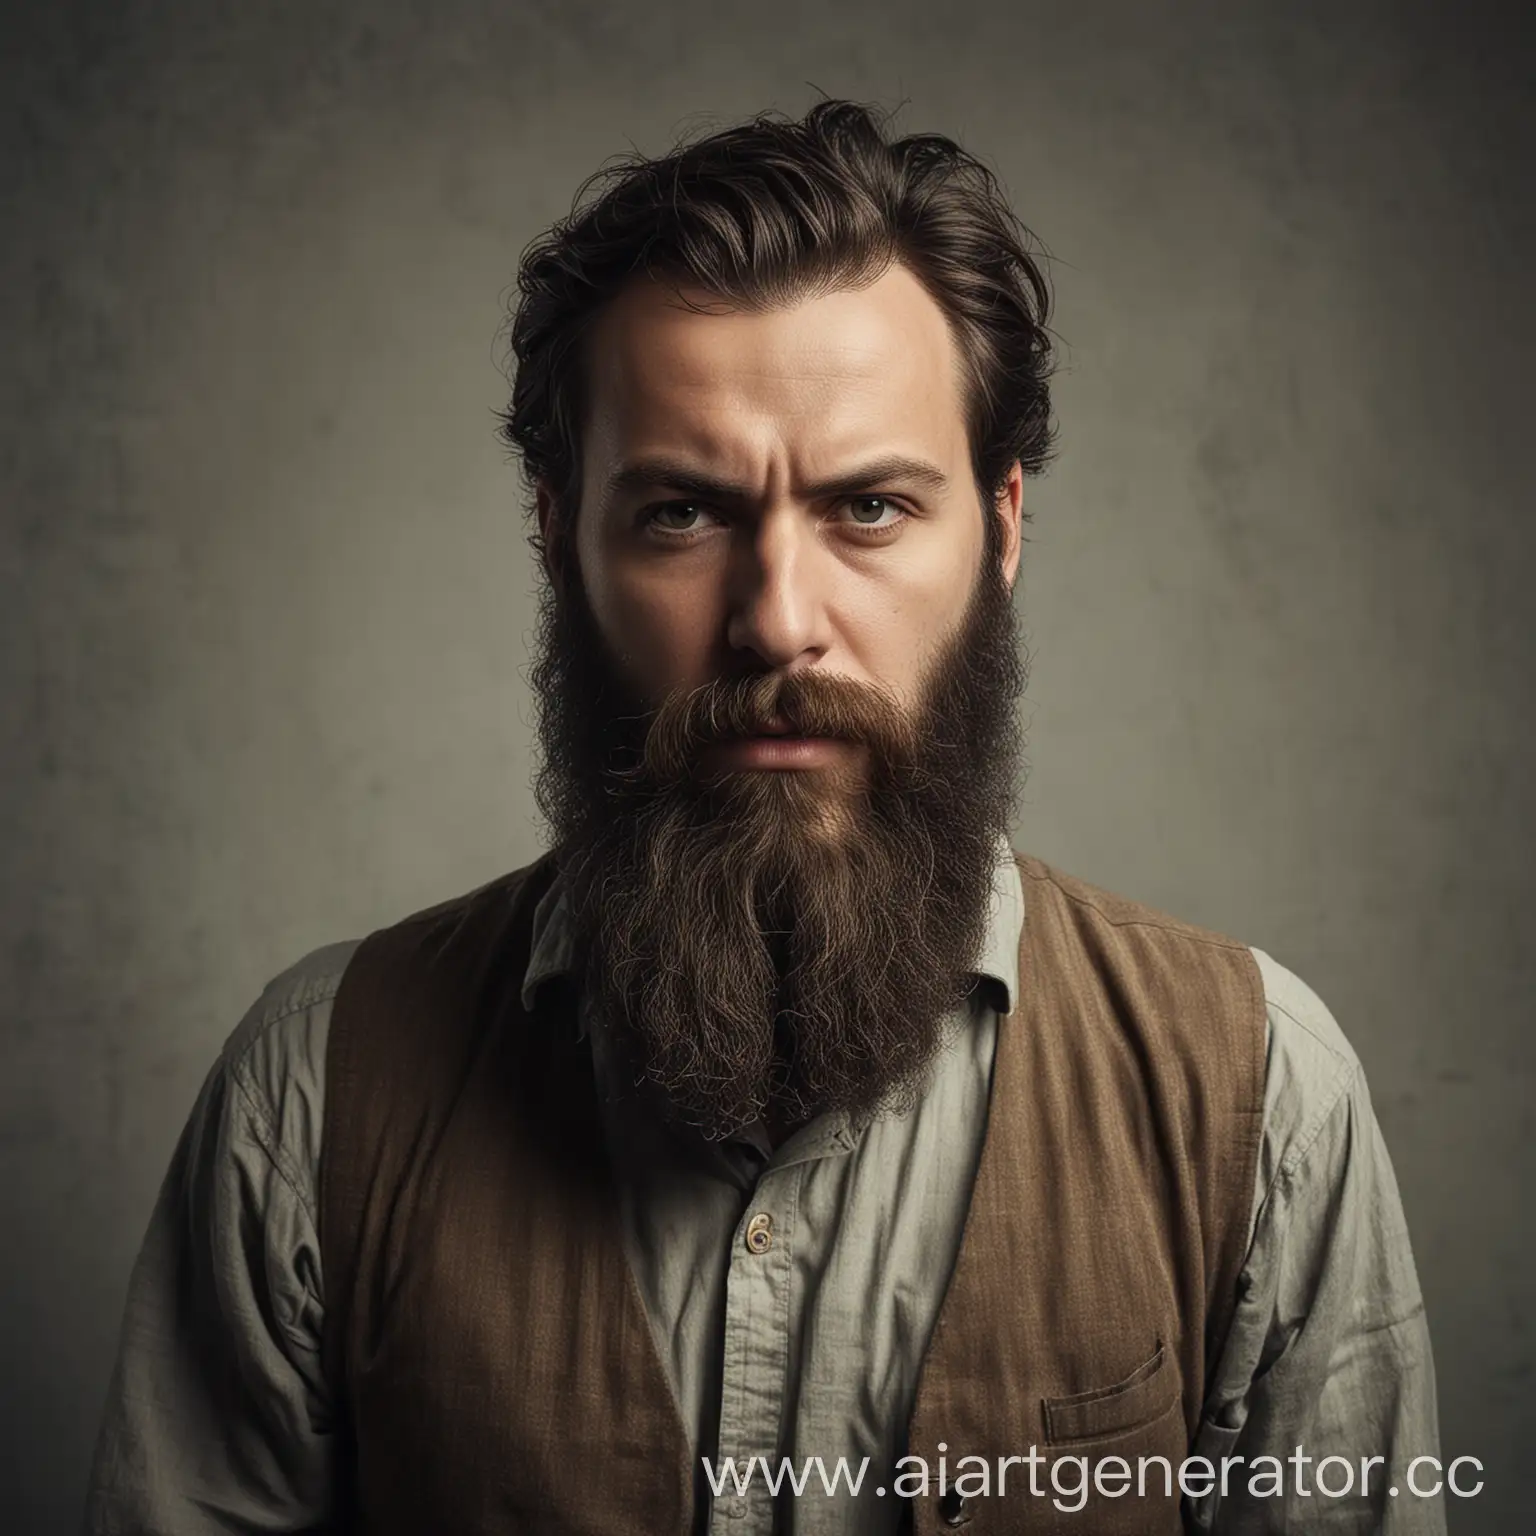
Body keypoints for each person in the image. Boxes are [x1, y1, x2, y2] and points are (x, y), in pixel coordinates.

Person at [84, 100, 1443, 1535]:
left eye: (869, 509)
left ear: (1005, 521)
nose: (779, 623)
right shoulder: (310, 1102)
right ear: (558, 532)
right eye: (682, 515)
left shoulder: (1262, 1105)